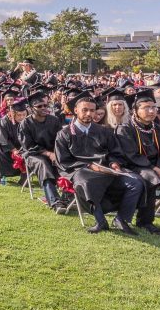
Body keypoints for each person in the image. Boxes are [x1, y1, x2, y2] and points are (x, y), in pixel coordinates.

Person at [54, 95, 144, 234]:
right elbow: (64, 161)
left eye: (92, 110)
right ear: (76, 110)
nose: (89, 113)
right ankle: (100, 221)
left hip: (107, 169)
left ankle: (122, 219)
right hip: (81, 170)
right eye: (85, 110)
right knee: (86, 182)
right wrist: (89, 166)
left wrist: (114, 163)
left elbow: (115, 152)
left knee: (136, 182)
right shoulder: (64, 133)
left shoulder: (103, 131)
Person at [114, 90, 160, 235]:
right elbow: (131, 155)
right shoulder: (125, 129)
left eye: (153, 108)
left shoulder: (159, 130)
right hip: (133, 165)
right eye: (146, 108)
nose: (151, 111)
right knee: (151, 177)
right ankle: (145, 221)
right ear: (135, 111)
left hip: (157, 166)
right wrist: (156, 169)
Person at [19, 90, 65, 212]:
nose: (44, 108)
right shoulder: (25, 124)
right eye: (39, 106)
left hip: (53, 153)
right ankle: (55, 201)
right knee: (43, 164)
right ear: (31, 108)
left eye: (45, 105)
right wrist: (48, 154)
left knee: (66, 160)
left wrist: (58, 153)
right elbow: (28, 146)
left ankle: (69, 196)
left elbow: (60, 140)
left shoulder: (54, 120)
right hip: (33, 154)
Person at [0, 91, 26, 186]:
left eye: (24, 115)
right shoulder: (3, 122)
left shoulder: (27, 122)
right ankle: (1, 176)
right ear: (12, 113)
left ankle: (24, 176)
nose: (22, 117)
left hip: (20, 146)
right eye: (19, 115)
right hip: (4, 146)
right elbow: (2, 138)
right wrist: (13, 149)